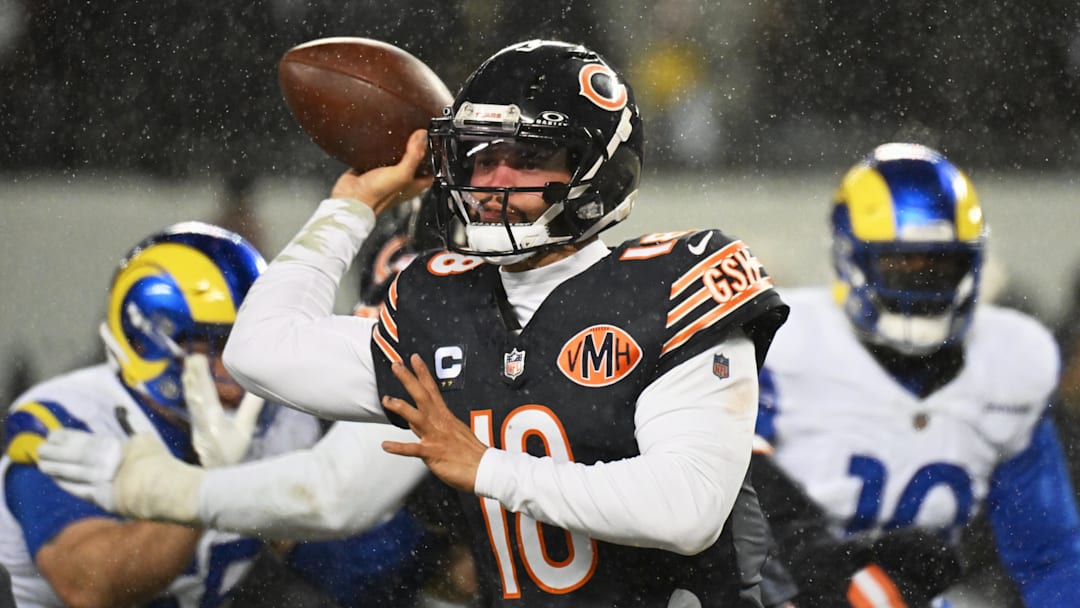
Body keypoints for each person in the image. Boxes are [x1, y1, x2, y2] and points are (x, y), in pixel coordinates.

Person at [216, 39, 789, 606]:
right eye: (482, 158)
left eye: (528, 159)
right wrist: (350, 206)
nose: (493, 183)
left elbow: (685, 510)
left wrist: (490, 467)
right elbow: (260, 349)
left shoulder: (672, 284)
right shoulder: (440, 301)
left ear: (597, 170)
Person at [754, 143, 1080, 606]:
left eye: (940, 264)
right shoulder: (783, 347)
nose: (922, 282)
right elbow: (729, 514)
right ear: (851, 258)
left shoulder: (1007, 366)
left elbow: (1048, 557)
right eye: (901, 264)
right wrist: (830, 575)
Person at [0, 222, 328, 607]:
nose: (244, 362)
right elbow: (88, 586)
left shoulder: (285, 423)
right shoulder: (66, 421)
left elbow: (357, 575)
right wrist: (207, 483)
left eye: (254, 338)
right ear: (145, 340)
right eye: (219, 342)